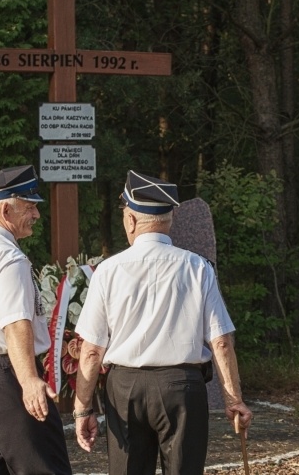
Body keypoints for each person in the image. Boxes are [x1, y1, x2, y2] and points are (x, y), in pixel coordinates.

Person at [72, 170, 253, 475]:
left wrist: (82, 409)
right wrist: (233, 399)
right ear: (169, 220)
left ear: (130, 220)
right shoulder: (198, 267)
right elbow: (220, 341)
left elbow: (91, 351)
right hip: (182, 387)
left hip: (126, 387)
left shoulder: (108, 271)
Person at [0, 164, 72, 474]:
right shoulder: (8, 258)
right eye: (29, 206)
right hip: (9, 375)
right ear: (6, 209)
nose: (37, 215)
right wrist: (29, 381)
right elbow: (14, 324)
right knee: (46, 467)